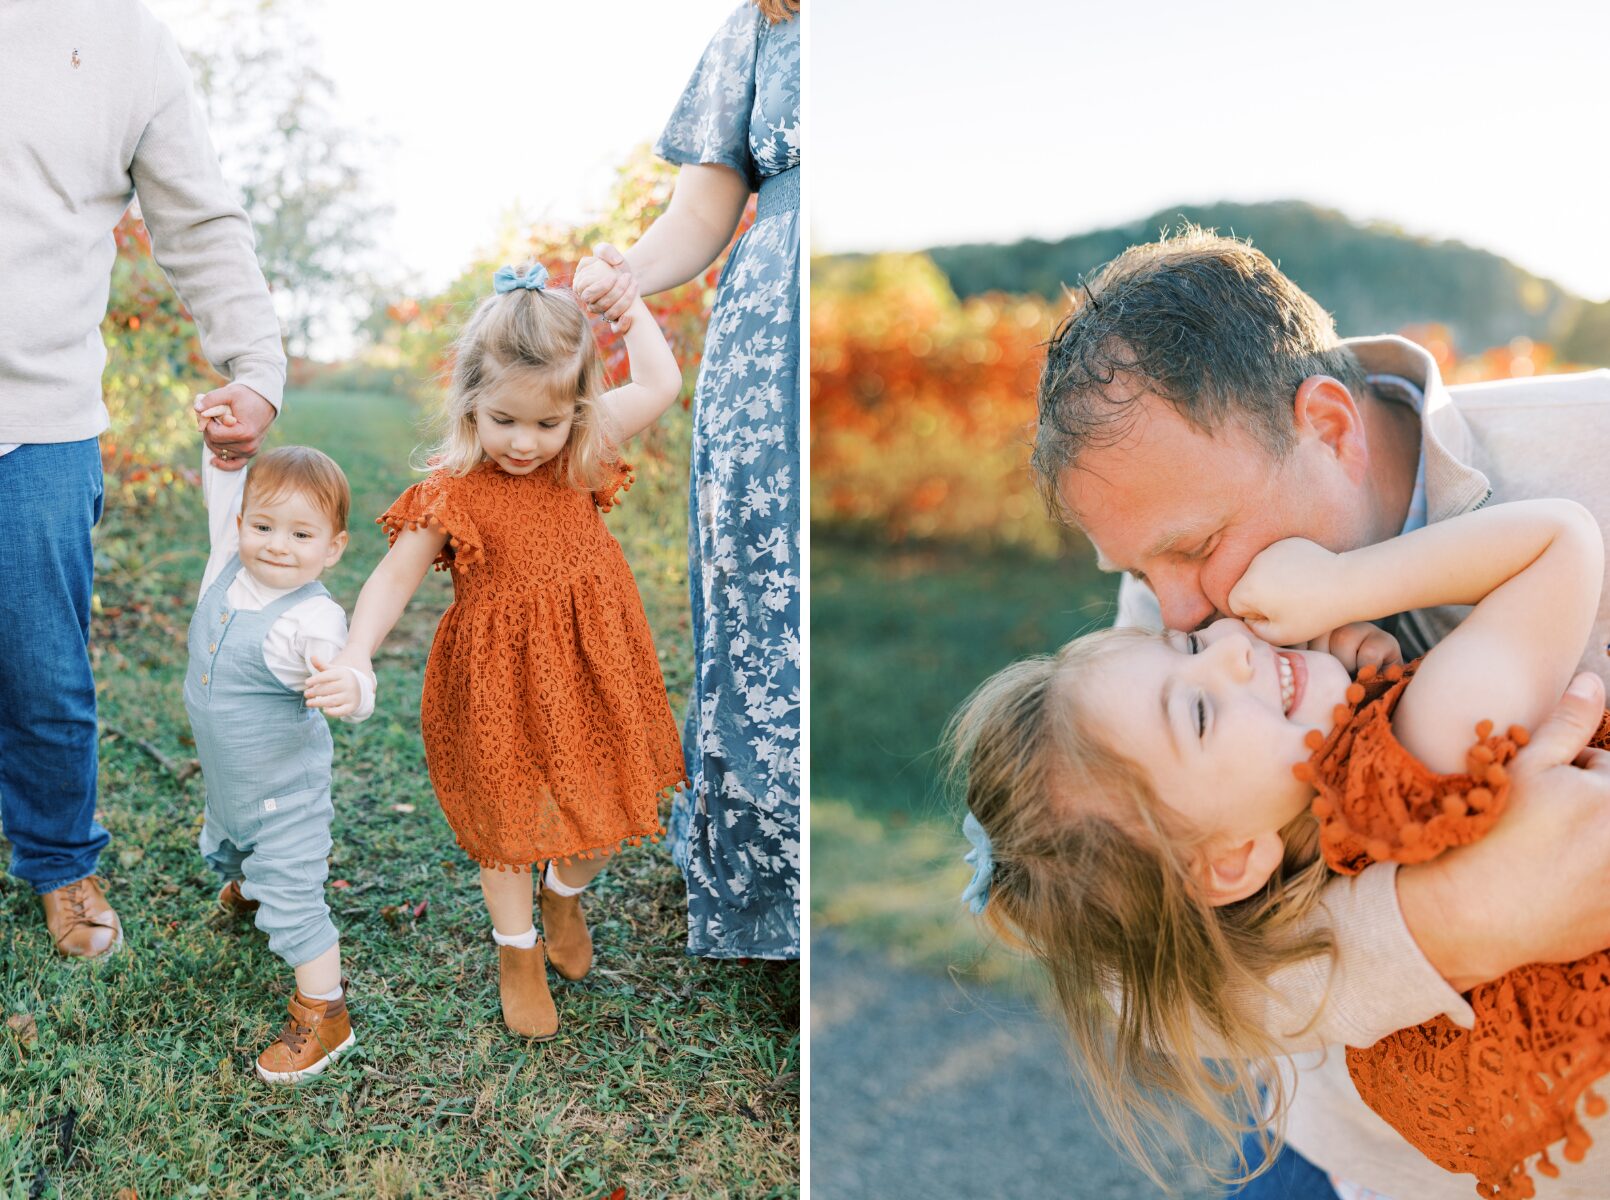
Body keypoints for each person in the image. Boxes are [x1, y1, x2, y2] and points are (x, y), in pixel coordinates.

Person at [1029, 228, 1610, 1198]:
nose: (1172, 611)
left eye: (1193, 547)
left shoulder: (1583, 452)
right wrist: (1444, 925)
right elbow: (1115, 959)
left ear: (1330, 426)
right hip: (1339, 1164)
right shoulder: (1183, 638)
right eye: (1135, 572)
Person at [952, 496, 1610, 1197]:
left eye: (1192, 646)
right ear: (1230, 862)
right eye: (1198, 713)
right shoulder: (1420, 760)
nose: (1232, 647)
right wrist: (1344, 584)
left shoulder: (1300, 906)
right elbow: (1560, 542)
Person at [306, 263, 686, 1039]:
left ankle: (566, 892)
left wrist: (628, 308)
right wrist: (355, 651)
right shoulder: (454, 488)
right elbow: (393, 574)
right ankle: (517, 952)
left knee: (613, 796)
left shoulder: (582, 447)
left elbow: (660, 382)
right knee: (510, 821)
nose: (525, 442)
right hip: (498, 680)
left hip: (591, 663)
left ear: (575, 412)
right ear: (471, 402)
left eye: (547, 424)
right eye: (505, 421)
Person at [0, 0, 284, 958]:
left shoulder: (125, 37)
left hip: (32, 417)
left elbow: (199, 219)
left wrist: (255, 366)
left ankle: (59, 863)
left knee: (41, 668)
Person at [573, 0, 800, 960]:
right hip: (771, 338)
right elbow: (704, 207)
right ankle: (768, 898)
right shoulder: (760, 26)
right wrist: (624, 273)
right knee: (760, 599)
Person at [177, 429, 374, 1083]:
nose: (278, 545)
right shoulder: (225, 564)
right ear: (240, 525)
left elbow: (341, 660)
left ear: (333, 548)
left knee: (293, 894)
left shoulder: (309, 619)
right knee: (227, 837)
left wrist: (348, 683)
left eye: (301, 534)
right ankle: (248, 887)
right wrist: (226, 444)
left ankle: (326, 1012)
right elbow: (223, 485)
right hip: (233, 783)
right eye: (264, 526)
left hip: (285, 792)